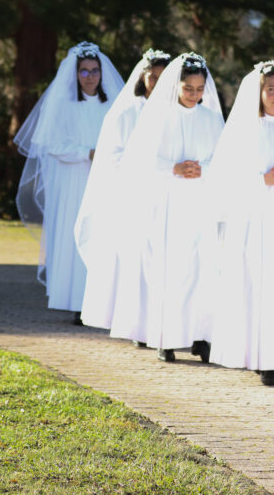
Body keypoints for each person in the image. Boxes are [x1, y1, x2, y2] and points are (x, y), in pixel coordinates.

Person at [120, 53, 225, 363]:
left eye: (198, 89)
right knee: (171, 269)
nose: (193, 94)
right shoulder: (158, 116)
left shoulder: (210, 118)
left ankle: (201, 335)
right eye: (188, 88)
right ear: (177, 85)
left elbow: (223, 156)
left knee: (203, 269)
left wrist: (203, 168)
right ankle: (167, 336)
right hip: (167, 202)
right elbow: (138, 161)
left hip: (201, 201)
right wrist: (173, 168)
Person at [208, 60, 274, 386]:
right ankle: (260, 355)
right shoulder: (244, 129)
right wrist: (262, 179)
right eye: (271, 90)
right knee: (258, 283)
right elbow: (224, 177)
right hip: (256, 217)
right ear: (259, 92)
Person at [14, 41, 124, 323]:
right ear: (75, 74)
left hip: (107, 180)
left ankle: (105, 300)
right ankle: (78, 301)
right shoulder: (62, 105)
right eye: (84, 72)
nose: (90, 77)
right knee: (77, 234)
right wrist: (85, 153)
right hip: (73, 178)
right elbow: (49, 143)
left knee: (104, 235)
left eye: (95, 71)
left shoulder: (113, 104)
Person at [75, 48, 171, 333]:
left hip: (168, 195)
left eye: (164, 79)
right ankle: (136, 320)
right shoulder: (128, 111)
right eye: (153, 78)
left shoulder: (175, 110)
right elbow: (112, 154)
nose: (158, 84)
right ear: (143, 78)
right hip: (134, 194)